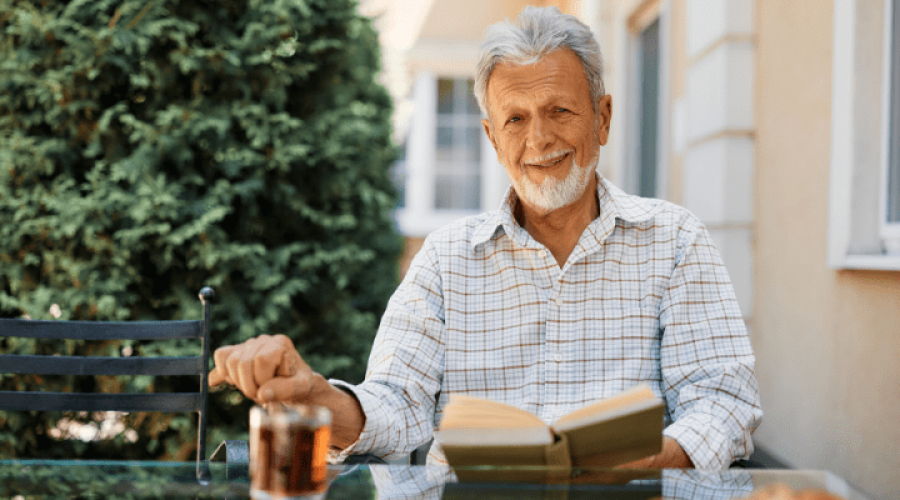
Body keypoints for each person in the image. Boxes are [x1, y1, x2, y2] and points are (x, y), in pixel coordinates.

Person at [209, 6, 762, 471]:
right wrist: (318, 398)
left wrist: (633, 463)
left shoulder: (676, 241)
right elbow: (397, 406)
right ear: (493, 138)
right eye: (515, 119)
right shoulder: (446, 258)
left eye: (560, 111)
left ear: (603, 117)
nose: (539, 140)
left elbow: (725, 404)